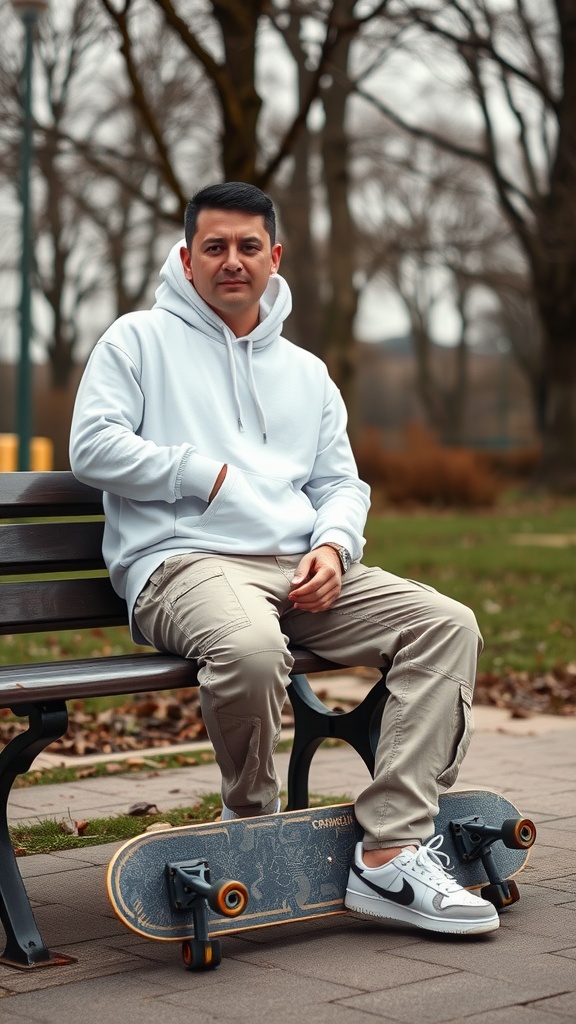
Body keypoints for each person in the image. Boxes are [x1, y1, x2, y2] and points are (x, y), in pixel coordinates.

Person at [70, 181, 498, 936]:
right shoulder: (136, 340)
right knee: (250, 649)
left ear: (275, 256)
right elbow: (92, 447)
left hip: (302, 569)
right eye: (214, 246)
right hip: (184, 561)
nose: (231, 261)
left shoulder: (305, 372)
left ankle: (391, 848)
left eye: (246, 246)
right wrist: (203, 474)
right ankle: (251, 822)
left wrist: (335, 546)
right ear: (186, 257)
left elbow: (339, 482)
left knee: (447, 624)